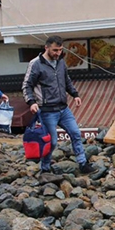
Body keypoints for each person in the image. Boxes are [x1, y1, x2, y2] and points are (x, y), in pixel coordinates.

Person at [22, 35, 96, 175]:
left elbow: (66, 80)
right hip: (46, 110)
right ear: (46, 47)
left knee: (75, 133)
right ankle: (45, 168)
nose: (58, 53)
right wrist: (31, 102)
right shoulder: (36, 63)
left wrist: (75, 94)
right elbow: (27, 85)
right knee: (52, 141)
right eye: (55, 50)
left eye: (60, 50)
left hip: (63, 108)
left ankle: (82, 163)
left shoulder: (61, 62)